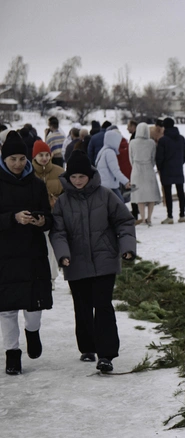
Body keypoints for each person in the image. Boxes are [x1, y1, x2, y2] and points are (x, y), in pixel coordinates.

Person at [49, 150, 136, 372]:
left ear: (90, 176)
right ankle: (87, 346)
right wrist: (63, 254)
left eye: (82, 176)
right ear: (68, 178)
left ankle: (106, 355)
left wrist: (126, 248)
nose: (78, 181)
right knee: (83, 306)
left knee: (103, 305)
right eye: (74, 177)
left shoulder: (105, 195)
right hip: (75, 262)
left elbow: (124, 222)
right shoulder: (62, 202)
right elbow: (58, 232)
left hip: (104, 259)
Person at [0, 131, 53, 375]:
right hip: (5, 255)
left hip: (32, 252)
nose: (19, 164)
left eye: (22, 158)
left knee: (34, 306)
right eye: (13, 159)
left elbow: (49, 216)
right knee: (7, 310)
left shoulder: (36, 184)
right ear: (4, 159)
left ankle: (33, 332)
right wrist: (12, 218)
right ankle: (12, 354)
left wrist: (42, 221)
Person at [32, 140, 65, 289]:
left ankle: (51, 277)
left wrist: (59, 200)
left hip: (55, 215)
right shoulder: (28, 172)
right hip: (36, 215)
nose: (44, 158)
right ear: (34, 157)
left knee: (51, 247)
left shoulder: (59, 172)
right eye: (40, 155)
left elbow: (67, 192)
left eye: (46, 154)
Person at [129, 122, 161, 226]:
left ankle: (142, 218)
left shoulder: (132, 143)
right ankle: (149, 218)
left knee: (139, 195)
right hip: (148, 169)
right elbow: (153, 158)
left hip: (136, 170)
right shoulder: (151, 142)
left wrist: (135, 166)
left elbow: (131, 158)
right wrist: (150, 165)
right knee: (150, 195)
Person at [156, 117, 185, 224]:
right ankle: (182, 215)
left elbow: (159, 157)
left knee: (168, 193)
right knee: (180, 192)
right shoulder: (181, 138)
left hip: (166, 169)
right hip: (178, 168)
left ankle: (170, 216)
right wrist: (180, 163)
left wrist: (160, 167)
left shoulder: (163, 140)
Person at [95, 126, 130, 201]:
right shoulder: (110, 152)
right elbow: (115, 170)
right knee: (120, 204)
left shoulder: (103, 150)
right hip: (110, 185)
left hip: (104, 183)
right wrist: (126, 182)